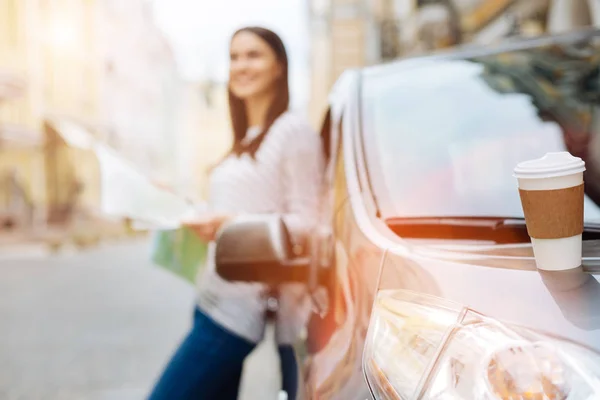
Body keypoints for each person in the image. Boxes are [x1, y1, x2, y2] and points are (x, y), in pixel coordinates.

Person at [148, 26, 324, 400]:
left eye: (253, 55)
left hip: (238, 313)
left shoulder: (292, 132)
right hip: (211, 300)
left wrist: (228, 224)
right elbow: (241, 210)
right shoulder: (246, 137)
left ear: (279, 66)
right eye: (234, 56)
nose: (241, 66)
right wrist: (184, 206)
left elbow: (310, 224)